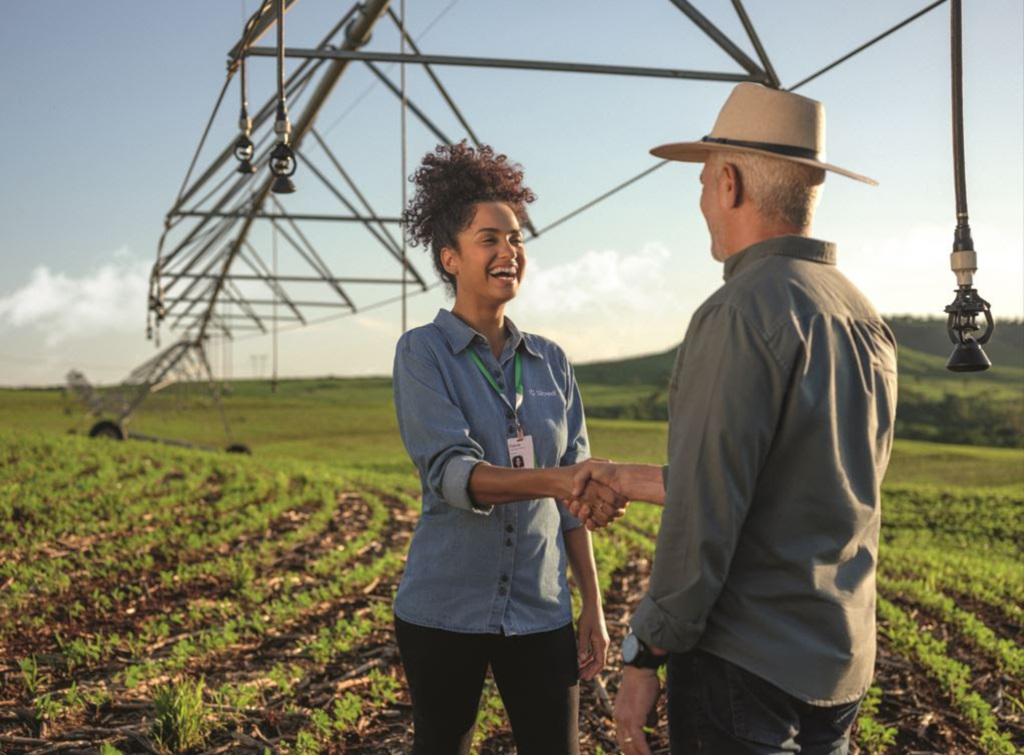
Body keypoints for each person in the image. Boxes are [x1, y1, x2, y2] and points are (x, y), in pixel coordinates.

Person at [570, 83, 899, 755]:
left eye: (700, 181)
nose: (700, 202)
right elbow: (791, 477)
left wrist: (644, 651)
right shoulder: (864, 317)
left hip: (746, 668)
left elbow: (706, 511)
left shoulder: (739, 311)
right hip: (839, 663)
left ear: (728, 183)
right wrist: (626, 476)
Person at [392, 141, 622, 755]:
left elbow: (575, 503)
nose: (509, 252)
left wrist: (592, 607)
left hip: (541, 607)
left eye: (516, 239)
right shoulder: (423, 353)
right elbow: (454, 473)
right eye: (489, 239)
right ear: (451, 258)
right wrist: (557, 480)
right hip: (445, 607)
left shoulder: (551, 361)